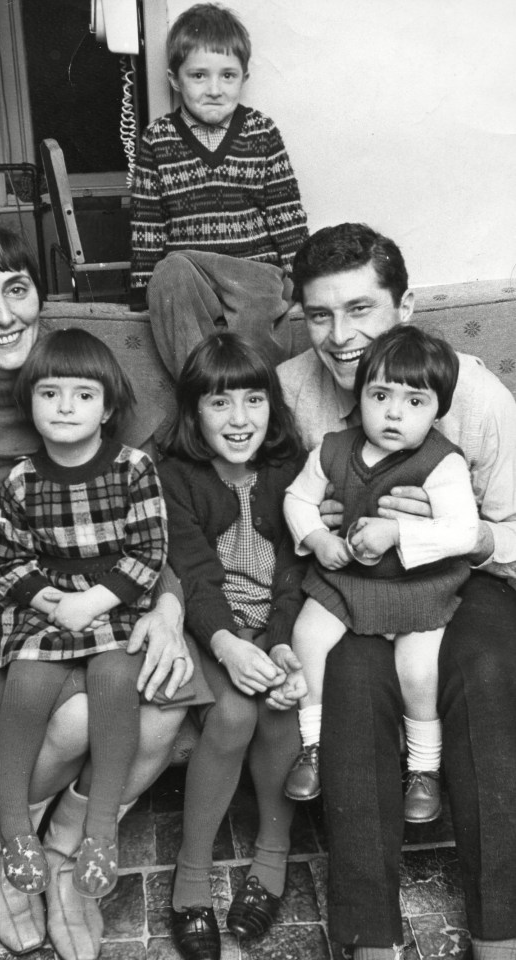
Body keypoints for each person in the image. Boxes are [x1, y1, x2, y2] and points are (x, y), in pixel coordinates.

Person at [0, 222, 205, 960]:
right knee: (72, 719)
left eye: (16, 289)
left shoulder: (87, 377)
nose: (3, 314)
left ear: (40, 294)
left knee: (165, 704)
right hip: (4, 615)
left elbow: (146, 526)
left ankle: (66, 858)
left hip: (108, 600)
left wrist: (168, 607)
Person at [277, 222, 516, 960]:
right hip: (352, 577)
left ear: (404, 308)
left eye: (360, 310)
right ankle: (369, 938)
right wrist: (316, 524)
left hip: (467, 574)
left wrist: (466, 533)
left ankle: (499, 932)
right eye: (320, 314)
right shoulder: (290, 389)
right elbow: (260, 495)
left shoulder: (469, 391)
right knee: (348, 680)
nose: (340, 337)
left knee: (478, 673)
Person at [0, 327, 169, 900]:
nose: (66, 407)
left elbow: (149, 551)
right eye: (50, 393)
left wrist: (94, 601)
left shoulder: (134, 468)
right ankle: (14, 826)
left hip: (112, 599)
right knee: (27, 686)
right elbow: (8, 559)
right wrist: (49, 601)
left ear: (108, 406)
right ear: (30, 403)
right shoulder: (21, 478)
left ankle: (99, 830)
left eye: (84, 395)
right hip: (47, 601)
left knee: (117, 681)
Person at [282, 325, 478, 823]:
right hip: (346, 581)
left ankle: (424, 768)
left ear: (439, 411)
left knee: (418, 673)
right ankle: (313, 745)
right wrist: (317, 538)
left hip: (415, 589)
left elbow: (463, 531)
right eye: (381, 395)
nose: (394, 412)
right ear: (360, 393)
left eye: (416, 402)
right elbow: (297, 499)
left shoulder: (442, 463)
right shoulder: (332, 447)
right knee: (306, 636)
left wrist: (397, 533)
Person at [158, 332, 308, 960]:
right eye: (220, 404)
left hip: (272, 626)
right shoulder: (176, 475)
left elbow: (296, 574)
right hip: (206, 628)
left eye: (253, 400)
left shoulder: (288, 469)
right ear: (194, 412)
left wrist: (275, 648)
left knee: (277, 708)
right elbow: (192, 575)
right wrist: (227, 645)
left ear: (273, 406)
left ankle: (272, 858)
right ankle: (190, 881)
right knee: (232, 711)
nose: (239, 419)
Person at [130, 2, 308, 377]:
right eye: (198, 76)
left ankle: (257, 394)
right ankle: (203, 392)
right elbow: (148, 222)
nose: (214, 89)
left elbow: (285, 210)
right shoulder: (157, 138)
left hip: (253, 269)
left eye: (227, 76)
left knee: (261, 310)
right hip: (191, 268)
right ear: (175, 79)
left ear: (244, 76)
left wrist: (300, 275)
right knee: (169, 274)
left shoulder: (261, 132)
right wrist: (143, 287)